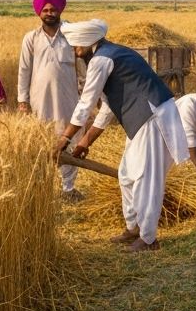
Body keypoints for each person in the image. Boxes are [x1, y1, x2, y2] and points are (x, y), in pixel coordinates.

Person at [54, 19, 188, 253]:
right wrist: (86, 141)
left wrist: (65, 139)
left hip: (151, 116)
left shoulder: (101, 60)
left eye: (77, 47)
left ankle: (148, 239)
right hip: (141, 119)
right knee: (126, 175)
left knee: (146, 179)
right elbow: (107, 107)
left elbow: (85, 104)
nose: (75, 53)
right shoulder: (111, 54)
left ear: (87, 44)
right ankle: (133, 228)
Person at [17, 0, 84, 200]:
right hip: (40, 101)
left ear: (60, 11)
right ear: (39, 13)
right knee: (41, 141)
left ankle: (68, 188)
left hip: (68, 99)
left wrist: (89, 96)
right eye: (45, 10)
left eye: (53, 9)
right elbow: (24, 70)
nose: (49, 13)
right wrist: (22, 101)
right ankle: (43, 188)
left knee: (70, 139)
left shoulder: (71, 35)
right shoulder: (31, 38)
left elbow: (82, 67)